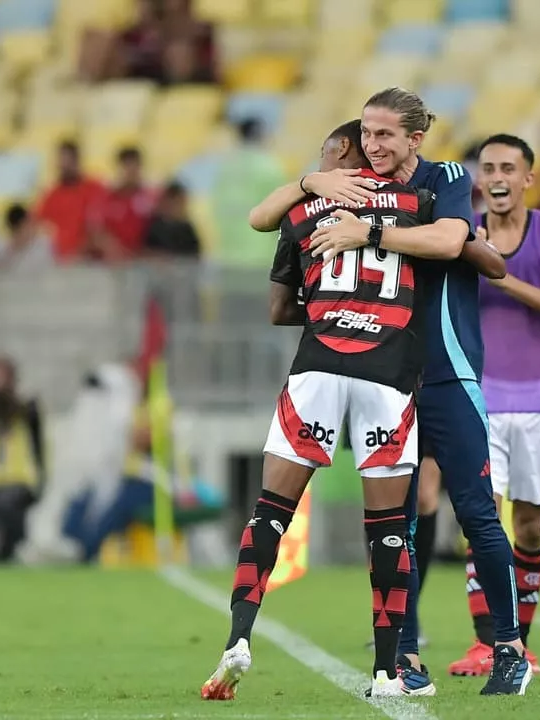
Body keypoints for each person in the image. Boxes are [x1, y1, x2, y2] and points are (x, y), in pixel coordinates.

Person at [282, 88, 533, 696]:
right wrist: (312, 180)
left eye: (386, 135)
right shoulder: (357, 184)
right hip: (384, 377)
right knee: (395, 523)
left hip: (448, 373)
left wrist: (364, 233)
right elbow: (271, 216)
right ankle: (405, 659)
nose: (373, 145)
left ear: (415, 139)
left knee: (476, 513)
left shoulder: (446, 176)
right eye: (367, 134)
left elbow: (450, 242)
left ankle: (508, 647)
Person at [200, 119, 451, 700]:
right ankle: (389, 671)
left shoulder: (302, 211)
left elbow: (277, 303)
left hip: (317, 367)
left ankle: (237, 639)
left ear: (341, 151)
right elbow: (456, 246)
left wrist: (328, 306)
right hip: (387, 374)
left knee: (270, 511)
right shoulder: (420, 205)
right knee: (389, 530)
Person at [441, 134, 540, 677]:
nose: (497, 177)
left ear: (528, 178)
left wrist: (500, 273)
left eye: (509, 167)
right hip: (480, 398)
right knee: (483, 521)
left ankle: (519, 643)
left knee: (529, 529)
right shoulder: (463, 232)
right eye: (488, 168)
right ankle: (488, 644)